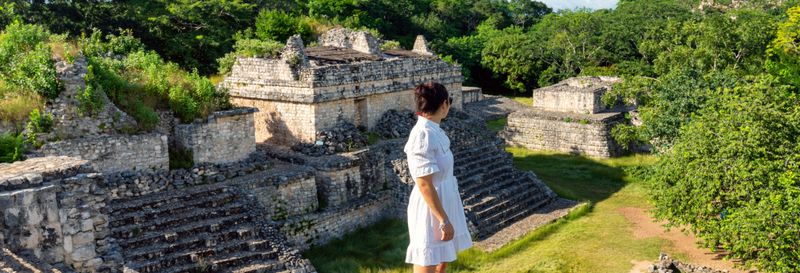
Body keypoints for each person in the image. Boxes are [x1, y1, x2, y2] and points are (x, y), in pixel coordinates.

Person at [404, 82, 472, 273]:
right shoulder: (422, 135)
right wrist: (443, 219)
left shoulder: (434, 129)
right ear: (444, 104)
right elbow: (424, 184)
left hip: (445, 198)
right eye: (449, 101)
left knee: (443, 258)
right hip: (430, 207)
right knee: (427, 258)